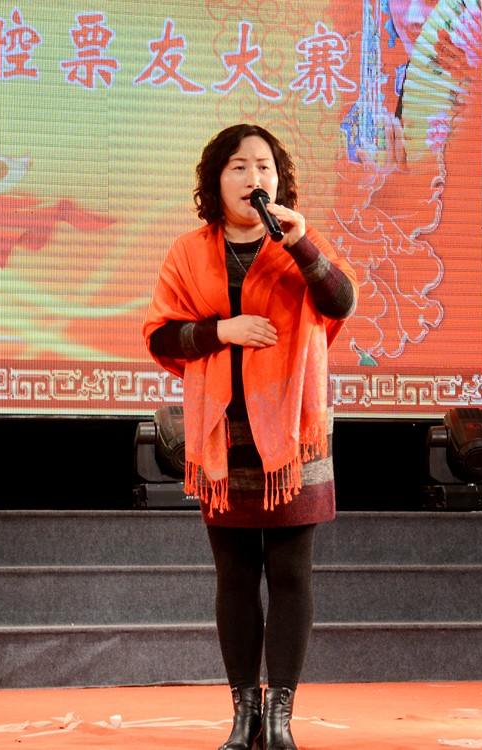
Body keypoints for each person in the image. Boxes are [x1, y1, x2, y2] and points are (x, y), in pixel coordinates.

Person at [142, 123, 358, 750]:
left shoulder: (296, 243)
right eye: (238, 167)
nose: (252, 178)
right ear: (215, 180)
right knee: (235, 576)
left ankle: (282, 715)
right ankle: (245, 714)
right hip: (223, 433)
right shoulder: (188, 252)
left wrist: (304, 245)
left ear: (279, 181)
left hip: (293, 434)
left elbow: (340, 302)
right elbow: (161, 334)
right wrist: (222, 331)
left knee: (291, 573)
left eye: (264, 167)